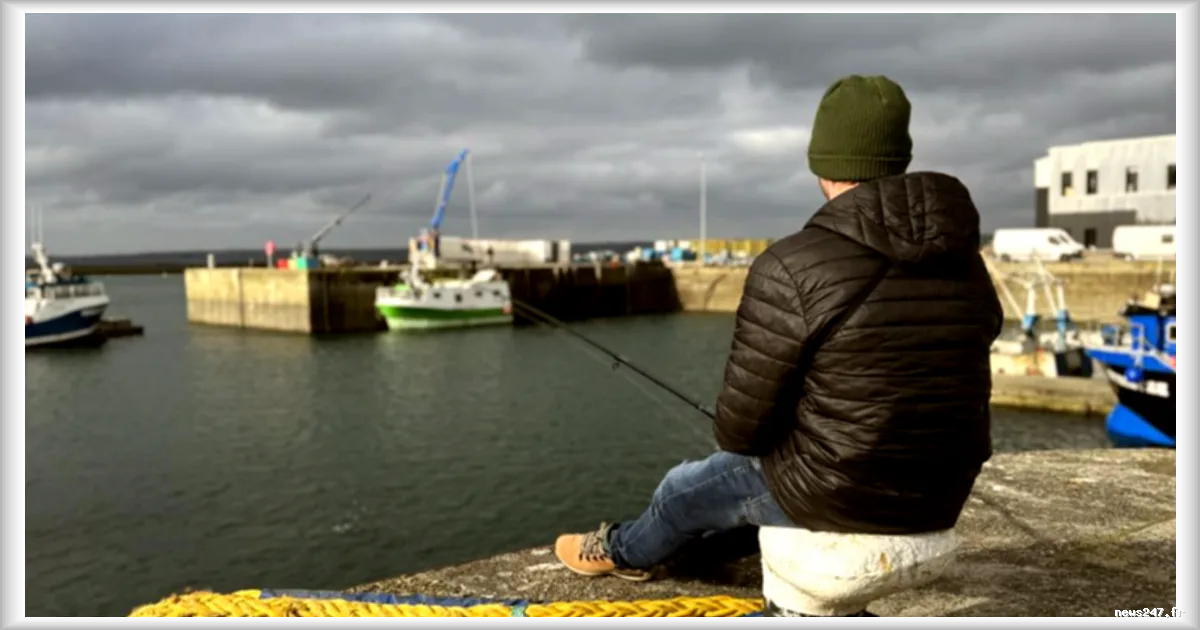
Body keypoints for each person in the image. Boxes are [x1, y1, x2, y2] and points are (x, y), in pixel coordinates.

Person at [553, 75, 1004, 595]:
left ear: (823, 163)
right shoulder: (963, 260)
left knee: (683, 489)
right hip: (941, 492)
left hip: (840, 492)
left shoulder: (793, 264)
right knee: (737, 492)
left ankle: (620, 551)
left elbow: (740, 432)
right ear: (898, 157)